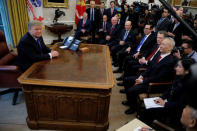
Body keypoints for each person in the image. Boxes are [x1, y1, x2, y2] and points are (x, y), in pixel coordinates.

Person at [122, 37, 177, 114]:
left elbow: (159, 78)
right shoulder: (159, 54)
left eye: (163, 44)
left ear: (170, 48)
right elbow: (149, 68)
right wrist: (142, 76)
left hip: (155, 85)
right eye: (161, 44)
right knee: (127, 80)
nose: (160, 46)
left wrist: (143, 81)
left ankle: (133, 107)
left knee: (131, 90)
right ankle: (130, 101)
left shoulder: (170, 61)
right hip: (147, 78)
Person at [138, 58, 195, 127]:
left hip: (174, 110)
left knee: (144, 113)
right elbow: (170, 89)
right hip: (168, 102)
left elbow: (181, 105)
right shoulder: (180, 77)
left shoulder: (190, 85)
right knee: (144, 111)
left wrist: (165, 104)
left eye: (179, 67)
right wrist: (161, 97)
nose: (176, 68)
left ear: (187, 71)